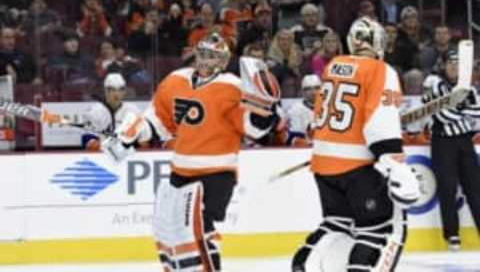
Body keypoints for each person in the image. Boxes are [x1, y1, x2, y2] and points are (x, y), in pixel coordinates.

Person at [105, 33, 280, 271]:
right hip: (180, 171)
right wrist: (132, 134)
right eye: (203, 54)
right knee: (175, 237)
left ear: (223, 61)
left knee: (200, 231)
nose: (206, 61)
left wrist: (265, 113)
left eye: (213, 57)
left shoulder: (233, 86)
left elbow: (252, 128)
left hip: (217, 173)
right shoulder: (175, 80)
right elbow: (158, 122)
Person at [291, 17, 420, 271]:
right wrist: (394, 163)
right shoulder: (381, 70)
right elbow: (379, 123)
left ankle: (305, 261)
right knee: (380, 231)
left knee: (337, 223)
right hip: (359, 169)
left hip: (324, 166)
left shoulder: (333, 66)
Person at [422, 49, 480, 251]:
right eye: (450, 63)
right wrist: (463, 110)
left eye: (458, 63)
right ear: (443, 65)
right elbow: (441, 116)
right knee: (447, 189)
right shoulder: (433, 83)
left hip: (464, 142)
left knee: (476, 188)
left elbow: (478, 114)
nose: (454, 67)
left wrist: (456, 108)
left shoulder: (469, 88)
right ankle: (452, 234)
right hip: (442, 142)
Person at [82, 73, 140, 150]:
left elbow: (143, 141)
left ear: (125, 91)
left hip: (129, 155)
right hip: (101, 155)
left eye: (121, 89)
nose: (116, 94)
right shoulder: (93, 112)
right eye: (112, 90)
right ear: (106, 91)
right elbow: (89, 141)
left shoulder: (133, 111)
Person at [285, 74, 321, 147]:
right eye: (308, 89)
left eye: (317, 88)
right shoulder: (296, 109)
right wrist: (311, 144)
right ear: (302, 91)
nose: (313, 92)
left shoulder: (329, 107)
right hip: (306, 150)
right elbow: (293, 139)